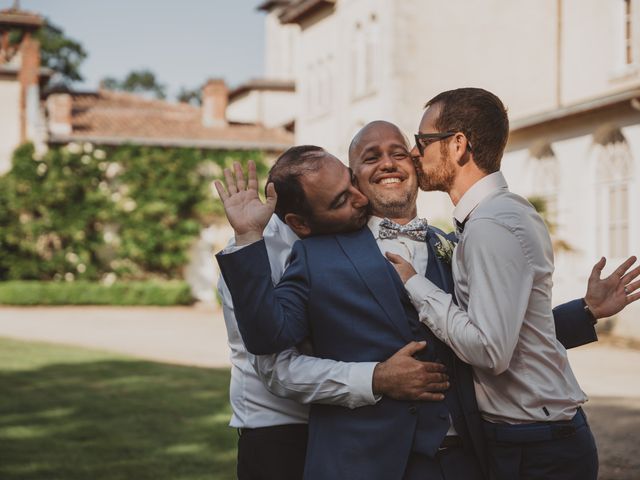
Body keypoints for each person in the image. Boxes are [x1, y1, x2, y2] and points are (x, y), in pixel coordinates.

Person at [214, 123, 638, 479]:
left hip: (462, 459)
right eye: (370, 157)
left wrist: (586, 311)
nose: (387, 162)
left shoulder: (458, 245)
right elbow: (270, 339)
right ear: (355, 177)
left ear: (415, 166)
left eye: (398, 151)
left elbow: (497, 337)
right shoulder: (312, 253)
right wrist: (248, 239)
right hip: (361, 461)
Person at [387, 87, 640, 480]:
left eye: (423, 141)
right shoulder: (504, 212)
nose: (415, 153)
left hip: (537, 448)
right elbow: (517, 331)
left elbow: (491, 350)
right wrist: (585, 312)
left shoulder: (490, 226)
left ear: (458, 145)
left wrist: (416, 286)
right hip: (528, 439)